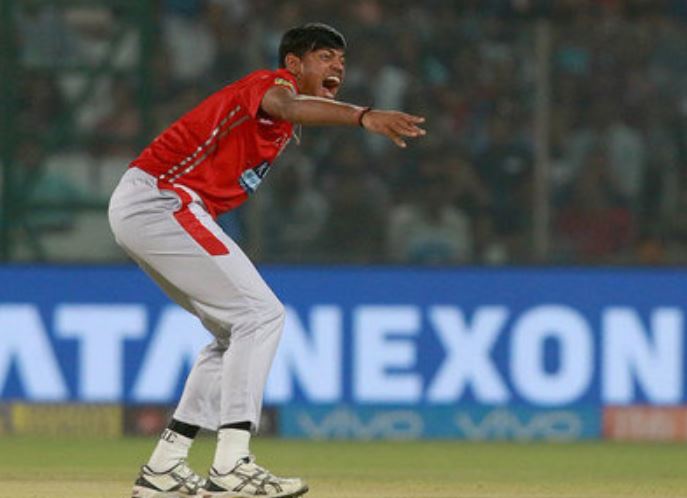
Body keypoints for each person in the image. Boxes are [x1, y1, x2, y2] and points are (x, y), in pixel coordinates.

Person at [108, 23, 425, 498]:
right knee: (261, 315)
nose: (338, 66)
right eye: (325, 56)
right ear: (293, 64)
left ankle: (165, 467)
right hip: (163, 200)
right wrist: (364, 117)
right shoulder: (270, 84)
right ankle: (232, 464)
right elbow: (288, 104)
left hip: (158, 205)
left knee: (232, 332)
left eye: (342, 60)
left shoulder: (281, 122)